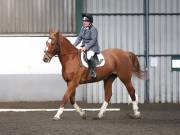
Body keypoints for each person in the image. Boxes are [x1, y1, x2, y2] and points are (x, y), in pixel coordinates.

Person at [73, 14, 100, 78]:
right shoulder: (83, 28)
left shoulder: (93, 29)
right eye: (83, 21)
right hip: (84, 46)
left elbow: (93, 40)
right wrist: (74, 45)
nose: (84, 22)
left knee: (89, 56)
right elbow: (79, 38)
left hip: (92, 47)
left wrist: (86, 47)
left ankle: (93, 71)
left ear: (90, 22)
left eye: (86, 21)